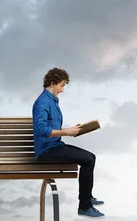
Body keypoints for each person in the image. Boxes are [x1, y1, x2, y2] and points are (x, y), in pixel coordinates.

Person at [32, 67, 105, 218]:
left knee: (91, 157)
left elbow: (52, 126)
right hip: (47, 151)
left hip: (55, 146)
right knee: (88, 160)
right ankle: (84, 206)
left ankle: (87, 197)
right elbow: (41, 129)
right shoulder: (43, 103)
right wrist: (67, 132)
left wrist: (74, 129)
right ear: (52, 83)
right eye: (62, 85)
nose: (63, 89)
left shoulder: (52, 101)